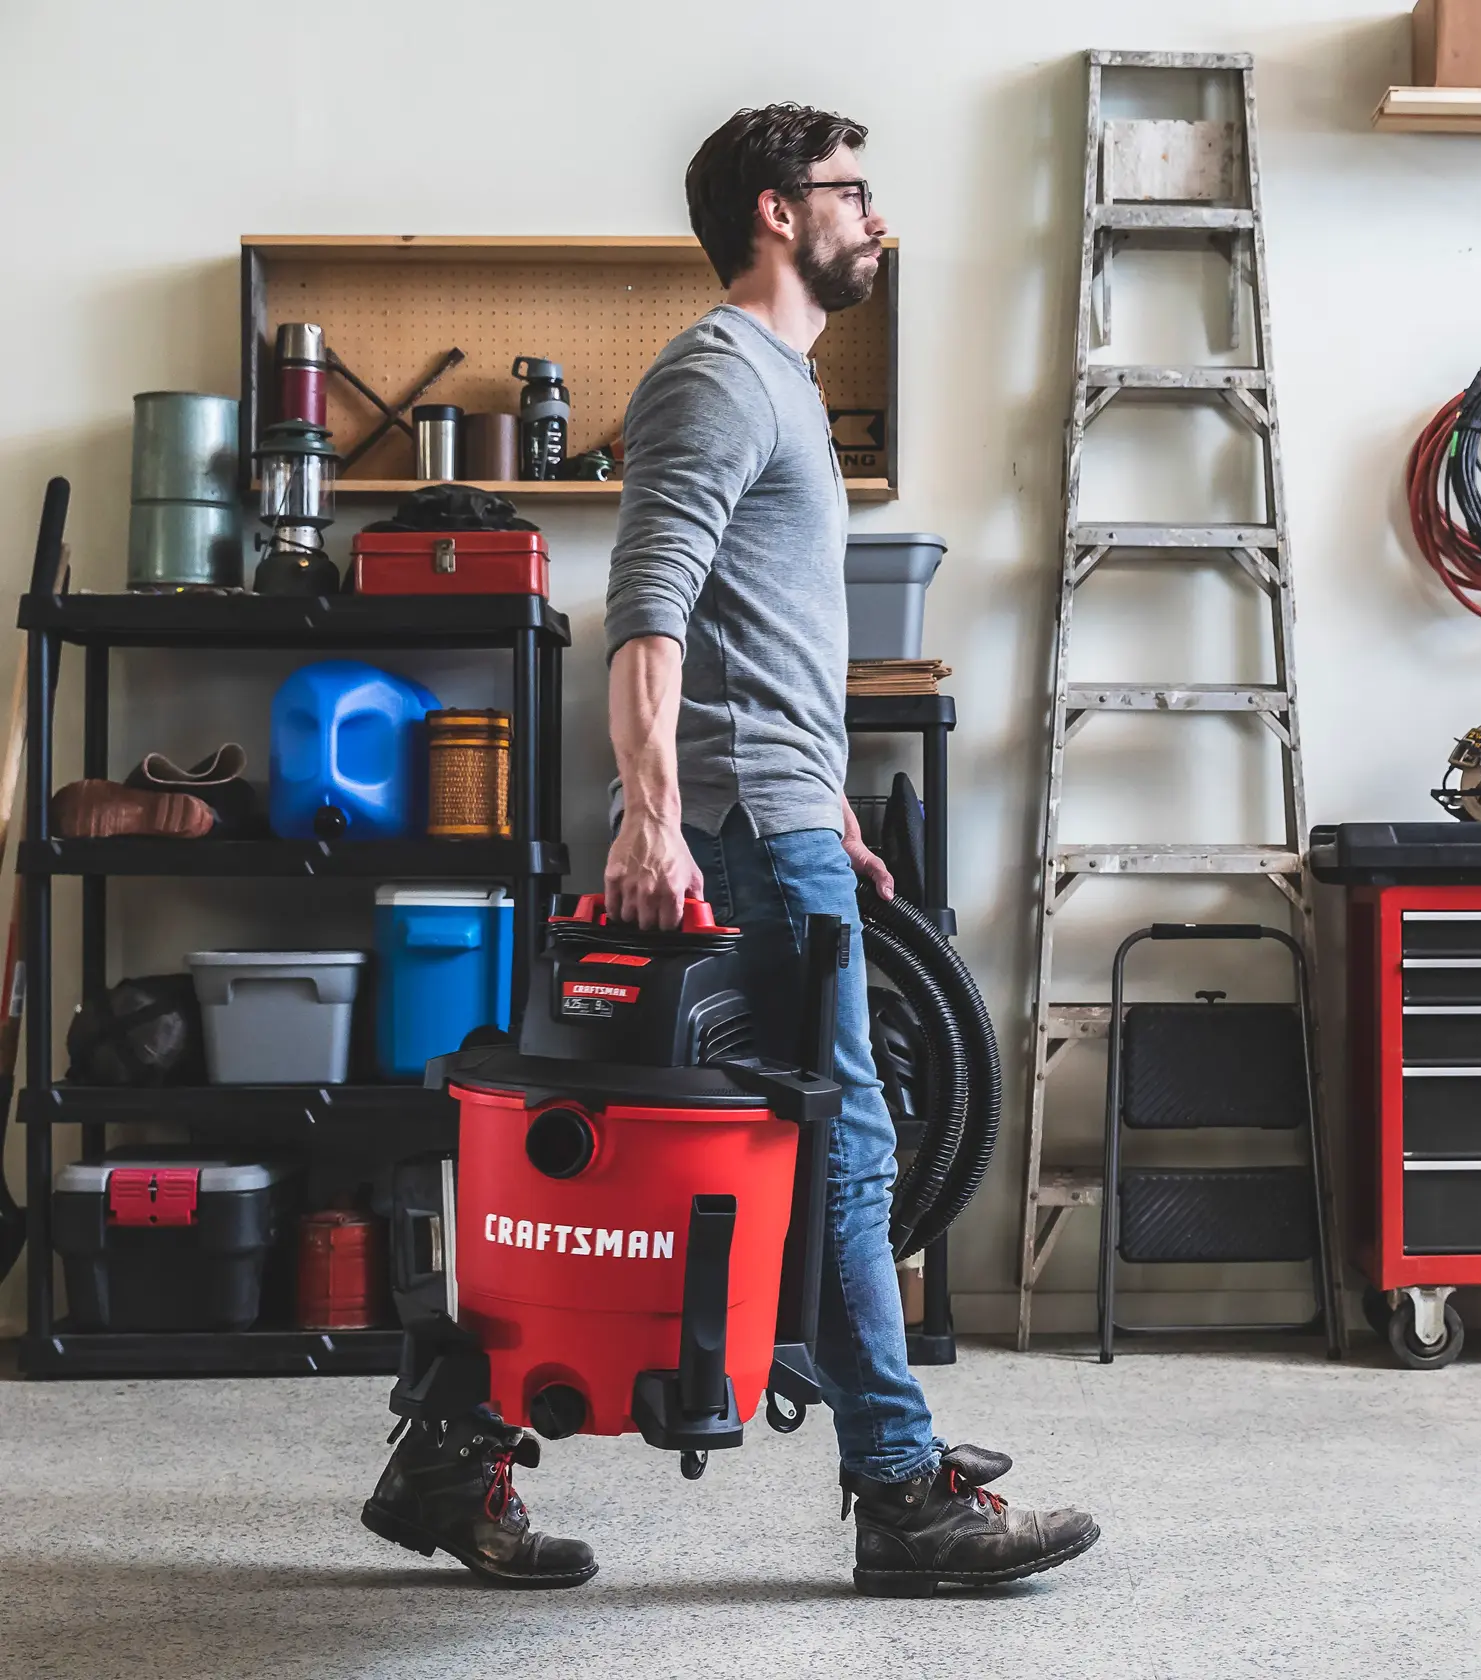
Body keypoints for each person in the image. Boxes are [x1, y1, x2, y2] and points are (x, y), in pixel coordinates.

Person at [361, 102, 1098, 1598]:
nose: (874, 217)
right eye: (852, 192)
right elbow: (650, 603)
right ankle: (900, 1492)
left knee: (676, 1162)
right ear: (779, 211)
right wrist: (649, 812)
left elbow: (759, 641)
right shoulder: (718, 375)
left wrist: (826, 801)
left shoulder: (783, 386)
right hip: (734, 835)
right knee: (841, 1151)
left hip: (775, 819)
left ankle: (452, 1457)